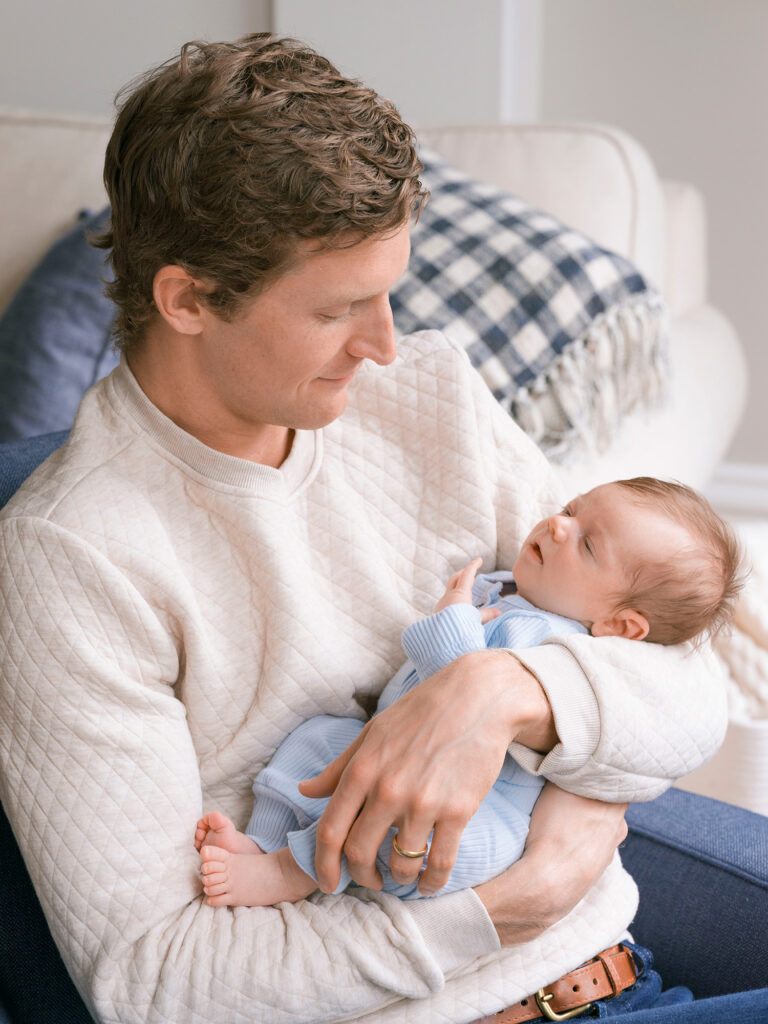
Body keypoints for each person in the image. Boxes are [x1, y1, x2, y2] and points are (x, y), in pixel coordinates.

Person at [0, 33, 756, 1024]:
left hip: (622, 972)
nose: (387, 342)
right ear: (186, 298)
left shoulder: (427, 391)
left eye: (391, 289)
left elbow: (688, 678)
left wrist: (506, 691)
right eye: (341, 308)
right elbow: (157, 983)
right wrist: (503, 906)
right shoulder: (73, 558)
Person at [194, 477, 744, 908]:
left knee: (395, 824)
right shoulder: (520, 592)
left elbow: (461, 679)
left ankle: (287, 873)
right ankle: (265, 839)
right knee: (319, 741)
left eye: (587, 544)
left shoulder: (560, 642)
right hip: (385, 746)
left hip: (482, 821)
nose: (556, 526)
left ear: (622, 626)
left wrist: (454, 618)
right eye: (572, 510)